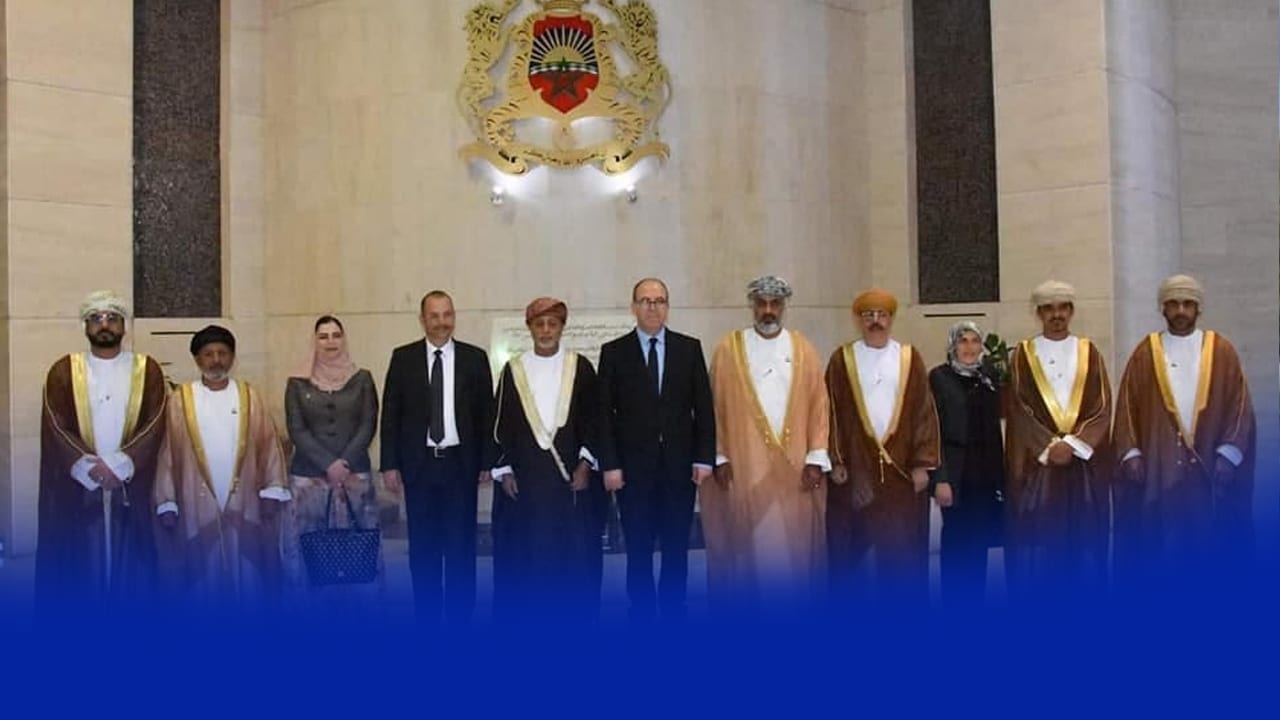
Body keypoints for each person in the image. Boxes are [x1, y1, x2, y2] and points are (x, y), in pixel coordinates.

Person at [1112, 274, 1256, 591]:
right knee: (1159, 547)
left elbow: (1240, 406)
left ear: (1198, 308)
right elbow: (1126, 407)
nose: (1180, 311)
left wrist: (1229, 453)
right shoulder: (1145, 352)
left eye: (1187, 304)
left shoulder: (1222, 350)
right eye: (1173, 304)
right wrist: (1131, 453)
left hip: (1210, 467)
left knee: (1210, 547)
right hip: (1159, 468)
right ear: (1162, 308)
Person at [701, 275, 830, 616]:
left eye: (775, 303)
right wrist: (719, 456)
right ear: (752, 305)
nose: (768, 310)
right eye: (762, 303)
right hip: (745, 468)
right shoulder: (729, 349)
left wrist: (816, 457)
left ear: (785, 306)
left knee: (793, 553)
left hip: (795, 469)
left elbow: (819, 405)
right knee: (750, 551)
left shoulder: (803, 349)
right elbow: (713, 407)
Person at [35, 290, 168, 615]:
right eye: (96, 318)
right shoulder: (64, 370)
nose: (104, 324)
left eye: (112, 318)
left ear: (124, 326)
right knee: (77, 566)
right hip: (80, 486)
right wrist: (88, 467)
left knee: (134, 569)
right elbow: (55, 423)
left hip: (131, 483)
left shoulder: (146, 369)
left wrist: (121, 465)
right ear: (85, 326)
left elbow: (156, 420)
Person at [597, 278, 716, 625]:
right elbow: (603, 414)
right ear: (633, 307)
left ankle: (675, 611)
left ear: (668, 306)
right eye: (646, 301)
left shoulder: (689, 348)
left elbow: (703, 409)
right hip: (632, 470)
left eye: (659, 300)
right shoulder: (614, 352)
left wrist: (703, 458)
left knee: (676, 545)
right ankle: (641, 613)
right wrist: (610, 464)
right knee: (638, 546)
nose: (653, 307)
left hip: (679, 469)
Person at [153, 325, 290, 613]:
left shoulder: (249, 396)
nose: (216, 360)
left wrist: (273, 489)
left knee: (249, 580)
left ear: (232, 357)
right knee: (202, 582)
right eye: (209, 354)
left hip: (244, 500)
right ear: (197, 359)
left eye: (222, 353)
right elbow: (168, 452)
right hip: (196, 502)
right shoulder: (181, 400)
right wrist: (167, 500)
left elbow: (268, 443)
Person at [380, 291, 495, 626]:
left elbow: (486, 414)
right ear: (422, 319)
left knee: (461, 547)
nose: (442, 322)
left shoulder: (475, 358)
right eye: (434, 315)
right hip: (420, 466)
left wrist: (487, 461)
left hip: (461, 465)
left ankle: (461, 621)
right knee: (424, 548)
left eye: (447, 315)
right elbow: (391, 414)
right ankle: (427, 620)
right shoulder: (403, 358)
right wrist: (389, 464)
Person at [824, 289, 940, 607]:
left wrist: (922, 463)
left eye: (882, 315)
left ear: (891, 319)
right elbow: (830, 411)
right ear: (859, 320)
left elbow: (924, 411)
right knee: (852, 551)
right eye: (868, 315)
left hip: (900, 470)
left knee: (902, 551)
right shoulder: (842, 359)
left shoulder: (908, 357)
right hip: (856, 470)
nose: (875, 321)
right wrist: (836, 459)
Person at [490, 297, 601, 623]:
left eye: (553, 324)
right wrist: (505, 470)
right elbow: (499, 425)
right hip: (527, 483)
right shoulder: (514, 370)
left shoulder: (580, 367)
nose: (546, 330)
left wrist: (585, 465)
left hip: (569, 481)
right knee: (528, 554)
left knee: (573, 556)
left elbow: (595, 421)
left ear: (562, 327)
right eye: (539, 324)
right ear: (530, 328)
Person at [1004, 281, 1112, 602]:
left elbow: (1102, 406)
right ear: (1038, 313)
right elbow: (1018, 408)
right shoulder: (1023, 354)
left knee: (1083, 538)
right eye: (1049, 309)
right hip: (1039, 465)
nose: (1056, 315)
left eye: (1063, 308)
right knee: (1039, 541)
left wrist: (1074, 445)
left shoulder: (1089, 352)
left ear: (1071, 311)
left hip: (1082, 464)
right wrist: (1051, 447)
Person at [282, 315, 381, 612]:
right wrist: (328, 464)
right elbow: (296, 428)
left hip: (354, 477)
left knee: (358, 548)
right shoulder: (297, 382)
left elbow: (368, 423)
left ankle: (356, 614)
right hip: (309, 480)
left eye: (336, 335)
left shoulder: (361, 378)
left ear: (344, 339)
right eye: (323, 336)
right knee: (310, 548)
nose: (330, 342)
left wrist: (344, 462)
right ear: (314, 341)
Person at [927, 321, 1006, 607]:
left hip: (984, 474)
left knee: (980, 545)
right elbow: (932, 430)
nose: (969, 347)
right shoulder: (939, 377)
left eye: (975, 341)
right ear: (953, 346)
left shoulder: (988, 377)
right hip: (955, 473)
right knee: (957, 544)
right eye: (963, 341)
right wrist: (940, 478)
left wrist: (1001, 479)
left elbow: (994, 429)